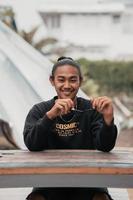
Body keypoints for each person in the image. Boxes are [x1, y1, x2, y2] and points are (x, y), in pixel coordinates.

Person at [23, 56, 117, 200]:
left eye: (73, 80)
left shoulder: (92, 109)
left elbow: (105, 146)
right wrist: (50, 116)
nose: (67, 85)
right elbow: (32, 144)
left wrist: (108, 120)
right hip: (48, 181)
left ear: (80, 81)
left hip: (89, 180)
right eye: (61, 79)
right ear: (52, 81)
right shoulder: (40, 110)